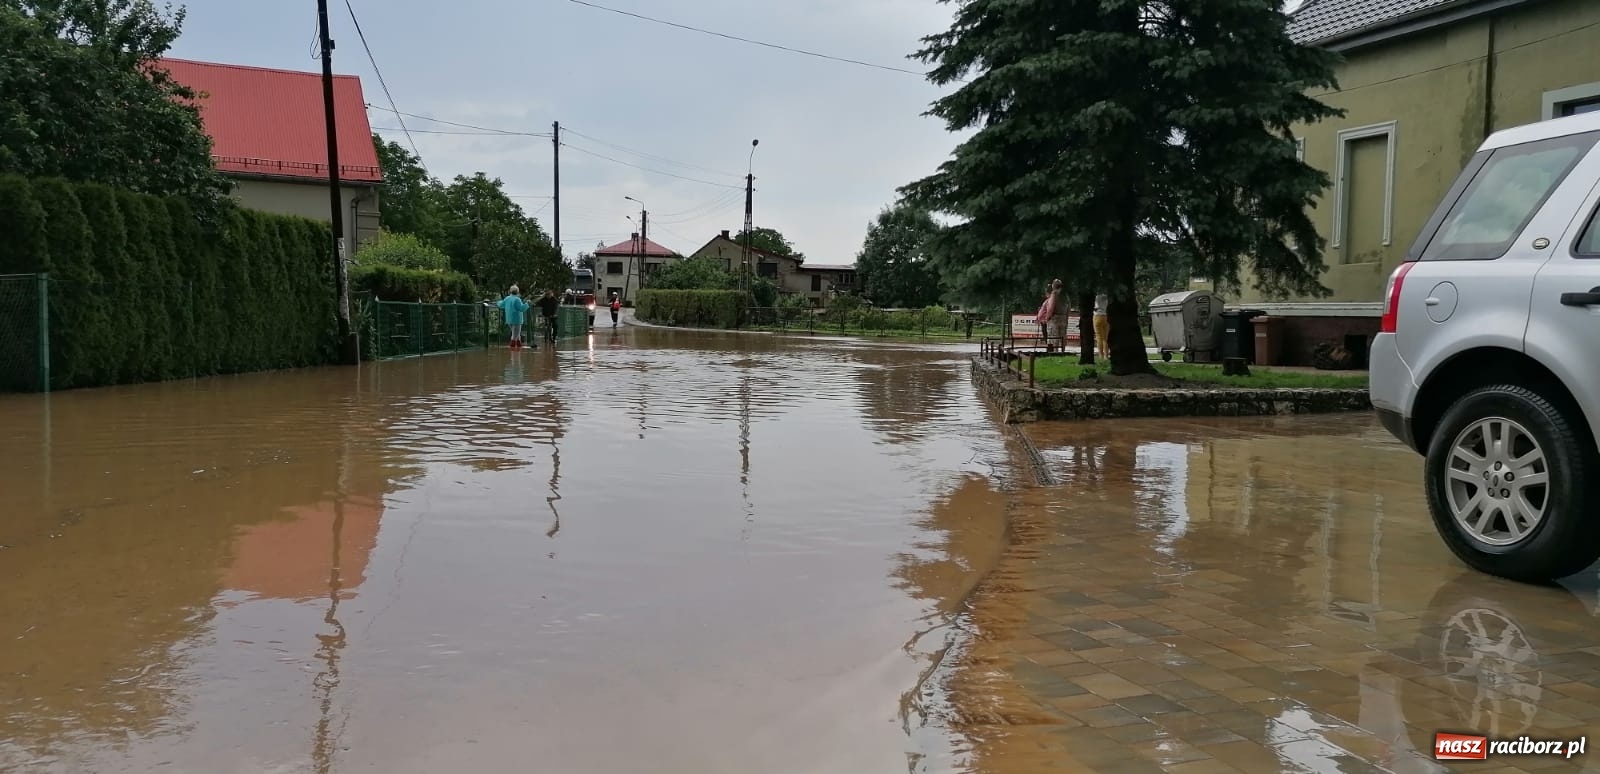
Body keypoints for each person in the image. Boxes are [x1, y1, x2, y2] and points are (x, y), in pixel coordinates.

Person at [1094, 292, 1110, 360]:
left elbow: (1094, 307)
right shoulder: (1107, 297)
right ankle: (1106, 355)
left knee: (1099, 337)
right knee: (1105, 337)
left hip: (1097, 315)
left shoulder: (1096, 297)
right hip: (1106, 316)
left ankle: (1101, 355)